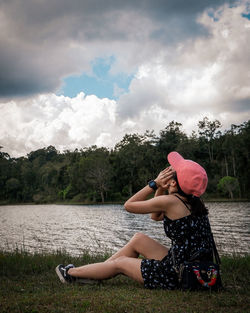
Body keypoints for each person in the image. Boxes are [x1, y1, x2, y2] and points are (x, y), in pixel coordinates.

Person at [56, 151, 214, 289]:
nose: (168, 170)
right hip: (194, 269)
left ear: (173, 182)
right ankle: (96, 273)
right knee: (138, 239)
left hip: (177, 274)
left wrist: (154, 184)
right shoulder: (193, 203)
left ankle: (71, 273)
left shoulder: (171, 201)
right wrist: (161, 188)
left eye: (172, 171)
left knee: (121, 262)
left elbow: (129, 205)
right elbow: (155, 216)